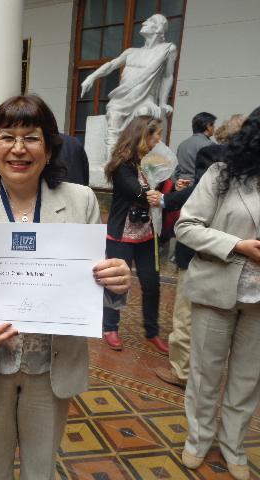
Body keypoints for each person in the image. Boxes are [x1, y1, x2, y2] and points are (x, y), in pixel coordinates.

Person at [0, 95, 131, 479]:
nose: (18, 149)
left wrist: (116, 283)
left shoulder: (79, 200)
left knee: (41, 466)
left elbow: (98, 279)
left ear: (48, 148)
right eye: (7, 137)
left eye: (31, 137)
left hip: (53, 363)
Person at [175, 107, 260, 480]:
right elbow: (187, 226)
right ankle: (198, 440)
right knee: (205, 374)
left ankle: (233, 446)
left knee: (247, 379)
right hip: (217, 288)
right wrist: (238, 245)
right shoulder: (222, 175)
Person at [152, 114, 245, 388]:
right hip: (239, 251)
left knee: (186, 312)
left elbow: (198, 195)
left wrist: (167, 199)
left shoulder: (213, 154)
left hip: (200, 248)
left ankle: (181, 371)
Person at [102, 116, 169, 353]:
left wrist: (172, 189)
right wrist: (155, 194)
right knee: (116, 284)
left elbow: (162, 190)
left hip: (146, 234)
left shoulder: (151, 163)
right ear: (142, 136)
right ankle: (110, 327)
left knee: (152, 284)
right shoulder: (123, 166)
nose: (158, 140)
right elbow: (137, 193)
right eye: (155, 135)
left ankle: (152, 331)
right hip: (121, 234)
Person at [80, 14, 177, 154]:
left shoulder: (168, 49)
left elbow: (168, 76)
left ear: (159, 28)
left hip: (146, 98)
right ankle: (110, 164)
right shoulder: (131, 52)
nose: (144, 22)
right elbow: (111, 65)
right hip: (122, 97)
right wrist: (91, 77)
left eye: (149, 21)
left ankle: (135, 161)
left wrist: (162, 103)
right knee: (113, 115)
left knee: (143, 113)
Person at [173, 112, 216, 181]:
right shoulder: (210, 145)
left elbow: (177, 170)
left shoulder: (182, 145)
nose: (214, 127)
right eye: (213, 125)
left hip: (181, 185)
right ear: (208, 126)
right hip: (197, 187)